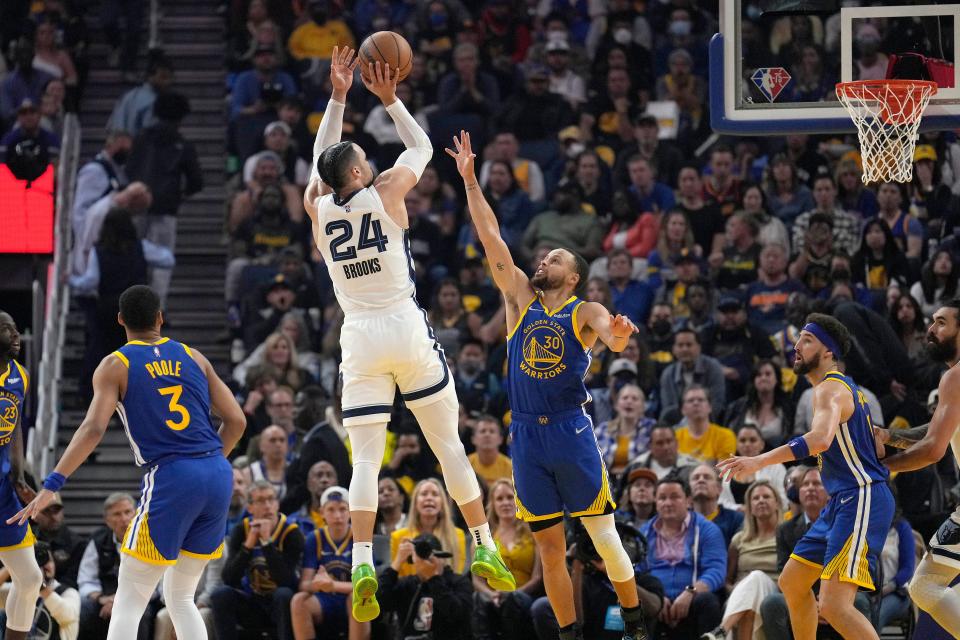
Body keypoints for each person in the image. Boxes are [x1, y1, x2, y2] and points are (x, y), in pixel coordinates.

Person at [303, 49, 514, 623]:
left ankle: (364, 559)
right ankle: (485, 546)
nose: (372, 162)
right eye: (365, 159)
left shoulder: (318, 210)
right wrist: (389, 98)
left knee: (366, 462)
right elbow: (421, 148)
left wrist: (338, 97)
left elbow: (320, 165)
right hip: (404, 324)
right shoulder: (387, 191)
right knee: (448, 446)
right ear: (356, 174)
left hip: (359, 337)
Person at [445, 129, 648, 640]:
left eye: (554, 259)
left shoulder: (585, 310)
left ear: (574, 276)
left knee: (603, 538)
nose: (543, 262)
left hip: (570, 431)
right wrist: (471, 181)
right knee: (549, 550)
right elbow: (491, 237)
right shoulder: (519, 300)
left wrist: (619, 335)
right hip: (527, 438)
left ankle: (637, 623)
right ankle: (568, 634)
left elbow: (613, 338)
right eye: (542, 258)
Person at [11, 285, 247, 640]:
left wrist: (52, 484)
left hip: (172, 473)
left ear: (120, 320)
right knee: (181, 597)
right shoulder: (194, 356)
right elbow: (237, 422)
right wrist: (208, 467)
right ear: (160, 318)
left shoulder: (114, 365)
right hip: (216, 472)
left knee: (128, 601)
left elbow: (92, 429)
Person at [717, 312, 894, 640]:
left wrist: (758, 461)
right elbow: (874, 449)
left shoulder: (830, 389)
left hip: (861, 496)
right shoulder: (843, 390)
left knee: (833, 606)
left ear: (828, 353)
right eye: (798, 339)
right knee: (792, 582)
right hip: (842, 499)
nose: (796, 346)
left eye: (806, 340)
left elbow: (819, 440)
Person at [872, 299, 960, 634]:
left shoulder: (955, 376)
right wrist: (889, 435)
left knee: (924, 586)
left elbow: (934, 449)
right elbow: (939, 427)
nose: (931, 329)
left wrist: (883, 469)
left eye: (941, 322)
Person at [211, 481, 302, 639]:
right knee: (221, 595)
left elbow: (288, 582)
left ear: (277, 504)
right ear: (250, 508)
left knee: (283, 594)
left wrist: (266, 544)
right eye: (260, 501)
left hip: (281, 605)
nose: (267, 506)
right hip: (253, 603)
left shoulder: (292, 533)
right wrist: (248, 545)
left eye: (271, 499)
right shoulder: (241, 530)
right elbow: (229, 579)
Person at [0, 311, 43, 640]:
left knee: (29, 579)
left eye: (16, 328)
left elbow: (14, 430)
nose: (16, 335)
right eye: (6, 329)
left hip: (3, 491)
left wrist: (19, 475)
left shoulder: (21, 375)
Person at [641, 475, 725, 639]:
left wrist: (690, 592)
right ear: (655, 502)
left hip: (693, 602)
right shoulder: (643, 533)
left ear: (688, 501)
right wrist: (656, 597)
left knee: (708, 601)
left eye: (675, 497)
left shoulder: (707, 529)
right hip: (655, 605)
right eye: (662, 498)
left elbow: (716, 570)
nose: (668, 503)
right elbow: (636, 571)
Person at [701, 480, 782, 640]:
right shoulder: (739, 539)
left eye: (766, 496)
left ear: (777, 503)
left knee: (756, 577)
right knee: (750, 598)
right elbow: (727, 580)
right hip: (741, 596)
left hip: (775, 593)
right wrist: (738, 589)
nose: (761, 500)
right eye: (756, 498)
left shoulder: (785, 534)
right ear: (749, 507)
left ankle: (721, 631)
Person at [290, 485, 368, 640]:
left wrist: (333, 585)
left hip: (350, 600)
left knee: (358, 597)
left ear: (351, 512)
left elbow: (366, 585)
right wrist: (317, 584)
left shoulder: (361, 537)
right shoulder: (314, 538)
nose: (337, 515)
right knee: (298, 600)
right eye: (331, 509)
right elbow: (304, 584)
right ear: (322, 513)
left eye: (342, 509)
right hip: (323, 601)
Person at [473, 479, 543, 640]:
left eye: (510, 497)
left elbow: (537, 577)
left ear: (517, 500)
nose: (505, 503)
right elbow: (477, 581)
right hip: (493, 597)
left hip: (525, 596)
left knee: (513, 600)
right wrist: (493, 596)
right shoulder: (484, 538)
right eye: (499, 498)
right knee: (478, 599)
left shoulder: (534, 534)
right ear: (492, 504)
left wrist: (511, 595)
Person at [380, 532, 475, 640]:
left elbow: (460, 615)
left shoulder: (459, 582)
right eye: (422, 558)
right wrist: (396, 563)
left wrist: (433, 579)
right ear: (414, 560)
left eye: (430, 557)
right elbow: (381, 603)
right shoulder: (408, 584)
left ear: (442, 558)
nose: (426, 562)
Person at [674, 387, 736, 465]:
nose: (696, 403)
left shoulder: (725, 435)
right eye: (690, 400)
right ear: (683, 409)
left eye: (701, 400)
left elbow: (723, 471)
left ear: (710, 407)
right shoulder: (675, 437)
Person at [689, 464, 744, 548]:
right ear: (689, 489)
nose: (700, 480)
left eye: (707, 477)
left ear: (719, 488)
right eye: (696, 478)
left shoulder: (736, 520)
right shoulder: (680, 520)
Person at [632, 425, 699, 479]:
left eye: (669, 441)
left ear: (677, 443)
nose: (666, 447)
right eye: (660, 443)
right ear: (650, 447)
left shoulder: (692, 467)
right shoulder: (637, 466)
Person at [468, 415, 513, 485]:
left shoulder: (511, 468)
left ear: (500, 439)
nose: (487, 434)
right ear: (473, 439)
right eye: (483, 431)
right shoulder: (466, 466)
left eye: (492, 431)